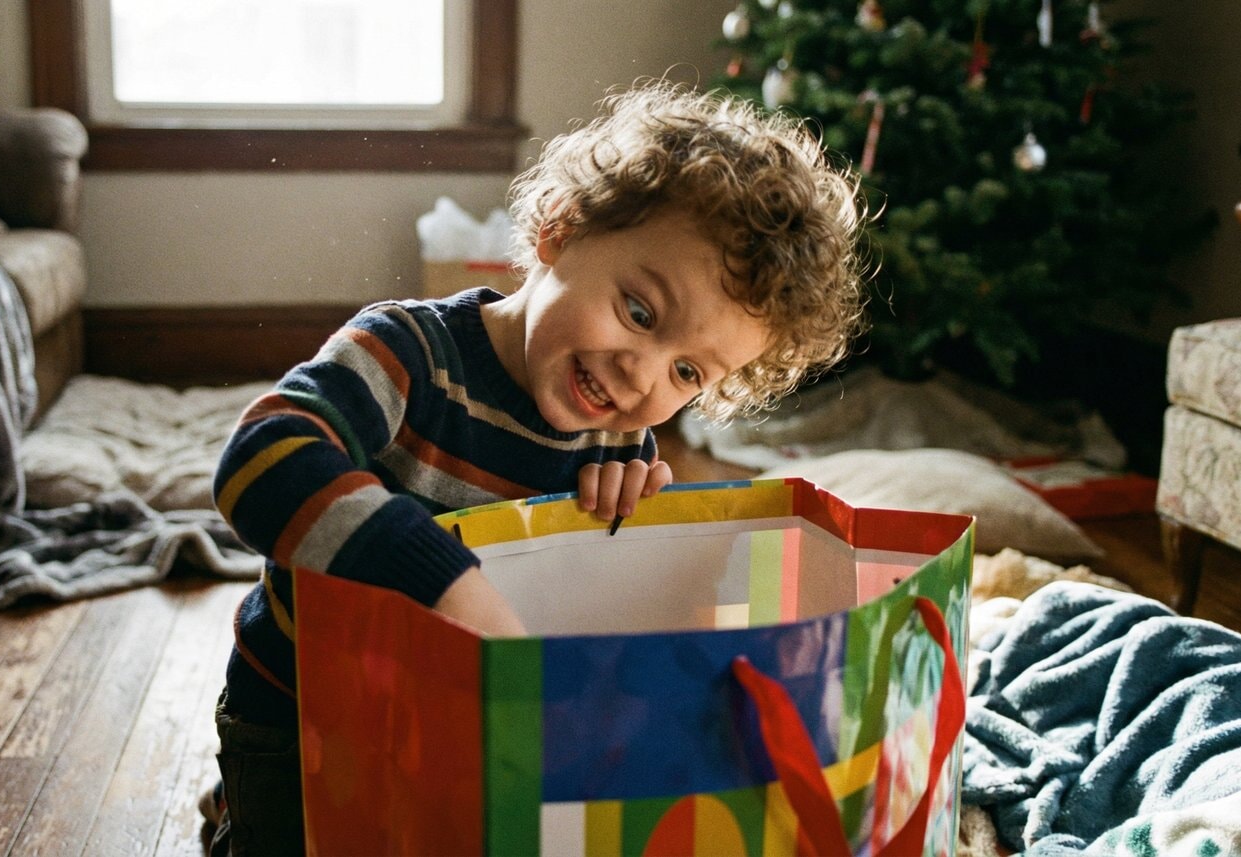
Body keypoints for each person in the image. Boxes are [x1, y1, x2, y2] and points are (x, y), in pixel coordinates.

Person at [199, 78, 868, 855]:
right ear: (560, 229)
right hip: (303, 720)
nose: (641, 375)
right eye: (641, 312)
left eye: (689, 374)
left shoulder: (618, 443)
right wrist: (444, 580)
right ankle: (235, 811)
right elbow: (262, 456)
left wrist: (621, 531)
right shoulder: (407, 355)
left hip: (464, 742)